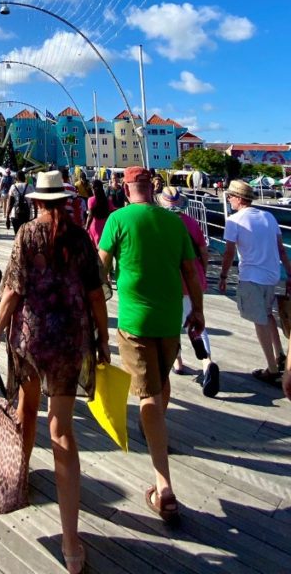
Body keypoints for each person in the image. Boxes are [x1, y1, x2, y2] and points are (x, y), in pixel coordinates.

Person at [0, 170, 110, 574]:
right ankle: (72, 545)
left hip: (32, 338)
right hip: (70, 341)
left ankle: (18, 485)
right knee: (62, 430)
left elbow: (13, 292)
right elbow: (96, 293)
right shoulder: (80, 238)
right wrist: (104, 338)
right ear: (65, 199)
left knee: (26, 411)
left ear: (38, 200)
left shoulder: (25, 235)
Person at [99, 166, 204, 524]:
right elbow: (191, 271)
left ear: (127, 189)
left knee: (146, 395)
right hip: (170, 318)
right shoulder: (175, 222)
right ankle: (156, 426)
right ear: (151, 187)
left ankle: (164, 487)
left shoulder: (118, 219)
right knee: (161, 382)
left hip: (134, 322)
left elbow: (100, 269)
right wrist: (199, 312)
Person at [219, 179, 291, 384]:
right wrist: (289, 273)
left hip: (252, 277)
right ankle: (279, 355)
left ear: (239, 198)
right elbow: (281, 249)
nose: (229, 200)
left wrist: (223, 276)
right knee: (267, 314)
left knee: (259, 320)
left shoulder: (235, 220)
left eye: (231, 196)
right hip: (272, 276)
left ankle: (271, 368)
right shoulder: (268, 216)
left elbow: (229, 252)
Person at [158, 187, 220, 397]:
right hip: (194, 276)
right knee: (197, 321)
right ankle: (207, 361)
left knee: (173, 323)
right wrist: (202, 270)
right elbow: (203, 251)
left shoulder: (161, 223)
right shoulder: (191, 223)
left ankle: (179, 363)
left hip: (172, 279)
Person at [85, 179, 112, 247]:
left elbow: (90, 216)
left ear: (93, 189)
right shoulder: (108, 200)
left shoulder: (91, 200)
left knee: (94, 250)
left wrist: (86, 227)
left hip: (94, 227)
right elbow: (111, 213)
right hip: (105, 227)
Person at [8, 170, 31, 235]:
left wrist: (7, 217)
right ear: (24, 177)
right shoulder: (30, 186)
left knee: (17, 234)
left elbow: (10, 203)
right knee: (26, 235)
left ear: (16, 178)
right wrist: (35, 215)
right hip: (27, 214)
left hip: (15, 215)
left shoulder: (13, 187)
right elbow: (35, 202)